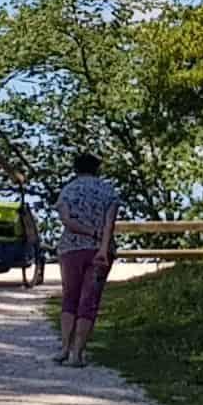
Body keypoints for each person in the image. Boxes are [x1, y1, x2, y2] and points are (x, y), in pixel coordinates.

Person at [54, 151, 122, 367]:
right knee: (89, 301)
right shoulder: (108, 191)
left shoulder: (68, 191)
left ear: (76, 169)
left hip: (71, 249)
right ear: (97, 169)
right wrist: (102, 246)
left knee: (69, 298)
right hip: (99, 252)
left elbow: (66, 221)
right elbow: (109, 224)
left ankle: (65, 347)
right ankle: (78, 353)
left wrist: (86, 231)